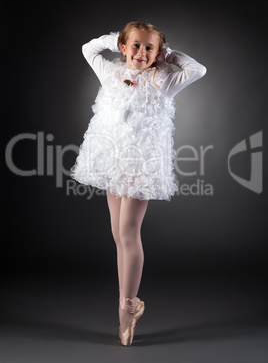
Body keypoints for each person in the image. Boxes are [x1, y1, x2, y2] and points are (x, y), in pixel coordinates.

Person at [71, 21, 206, 346]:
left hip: (140, 164)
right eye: (135, 45)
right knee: (117, 234)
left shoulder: (164, 80)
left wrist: (169, 54)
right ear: (123, 47)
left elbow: (198, 69)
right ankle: (126, 302)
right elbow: (88, 48)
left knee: (129, 234)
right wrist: (114, 38)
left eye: (149, 48)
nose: (141, 53)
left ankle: (128, 307)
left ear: (158, 54)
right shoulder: (110, 72)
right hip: (112, 160)